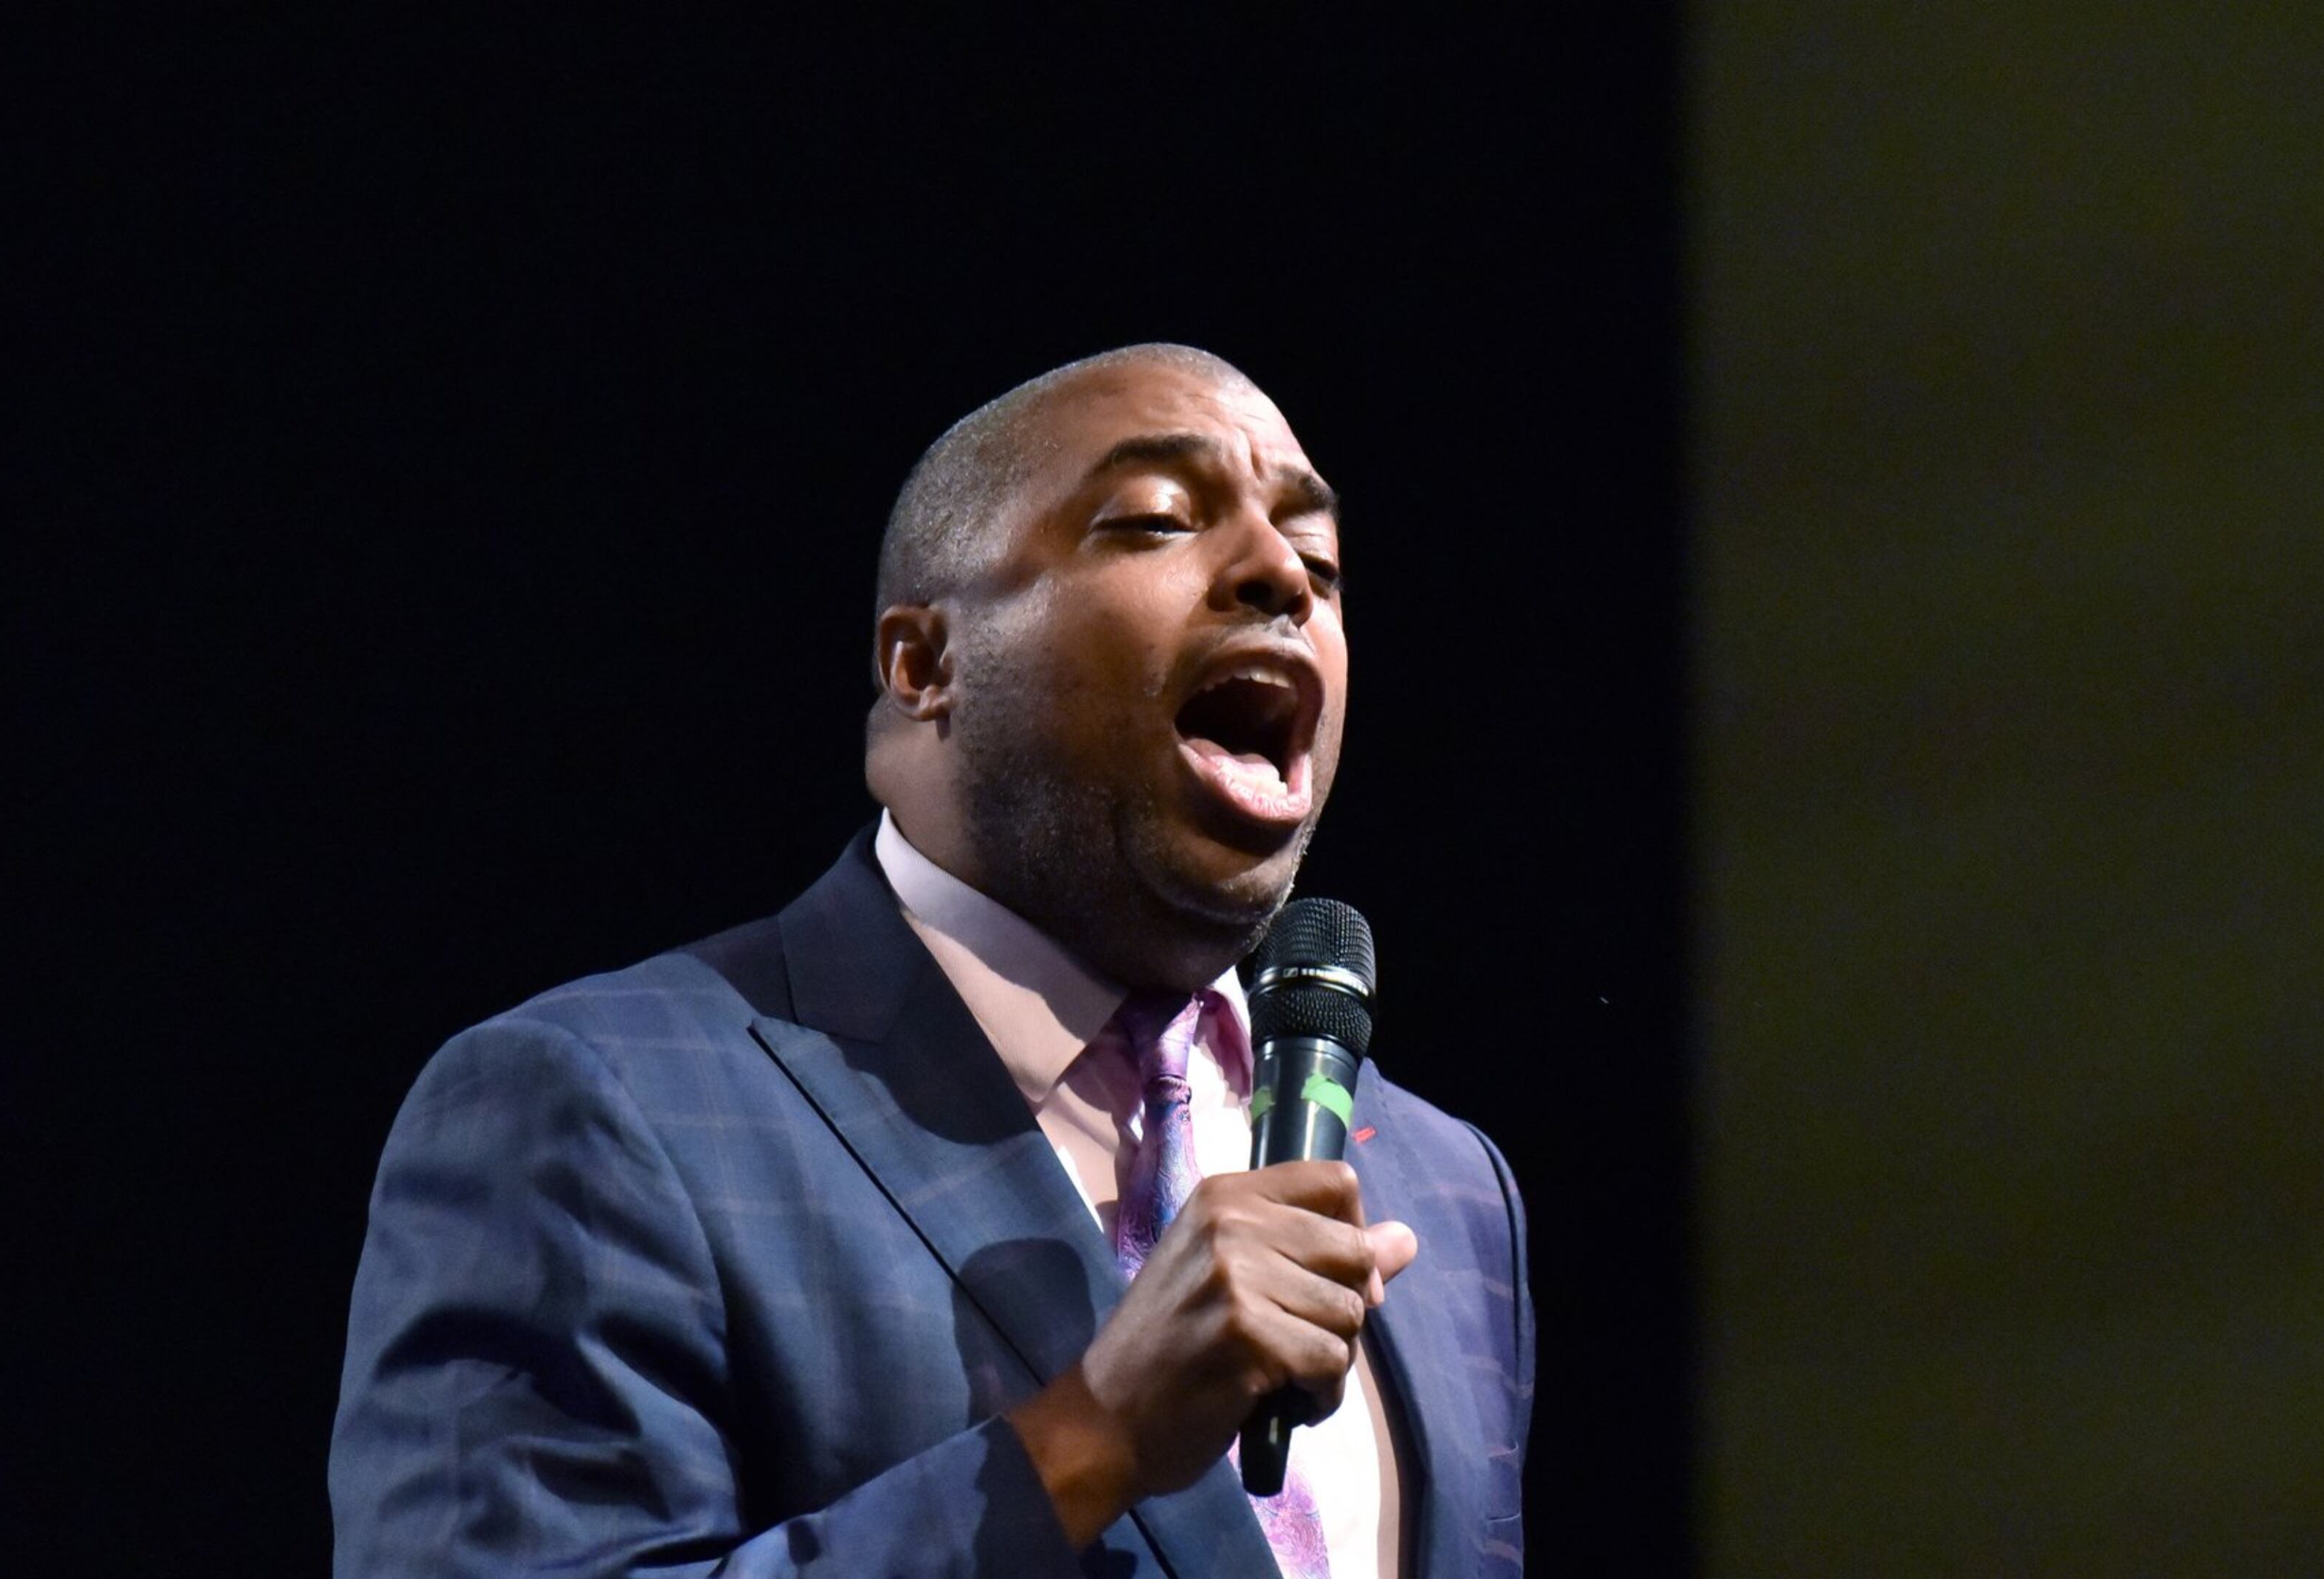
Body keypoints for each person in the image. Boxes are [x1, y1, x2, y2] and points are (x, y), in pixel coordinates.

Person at [329, 345, 1534, 1577]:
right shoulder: (593, 1109)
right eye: (1156, 521)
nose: (1284, 575)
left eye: (1321, 564)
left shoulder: (1446, 1190)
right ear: (926, 665)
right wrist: (1090, 1437)